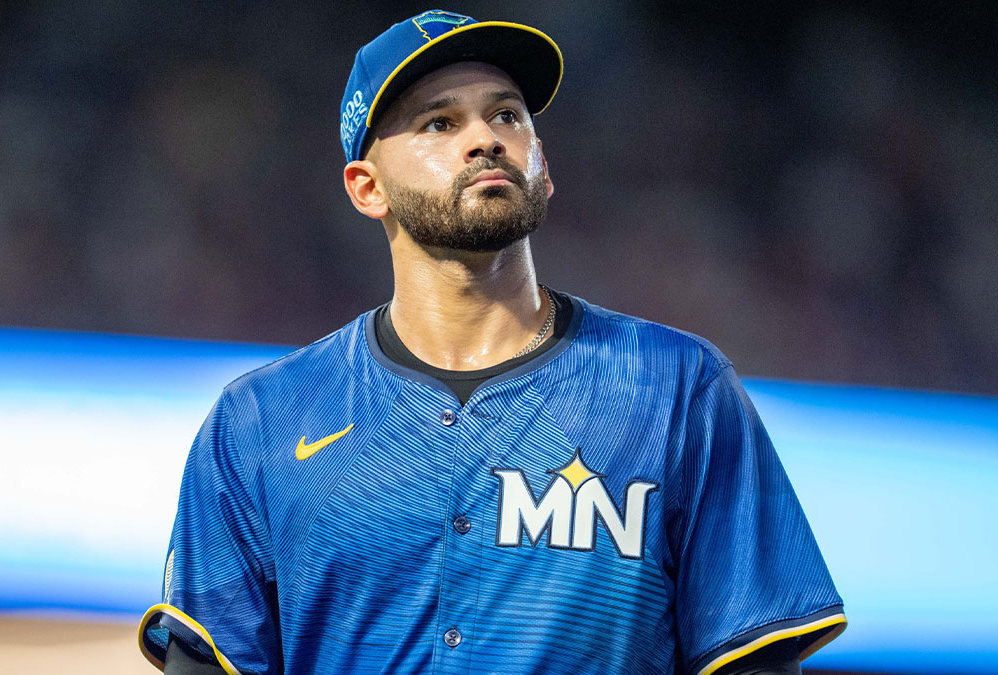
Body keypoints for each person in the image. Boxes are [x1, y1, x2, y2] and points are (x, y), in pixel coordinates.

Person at [138, 10, 846, 675]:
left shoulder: (677, 389)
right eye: (438, 123)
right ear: (365, 187)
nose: (485, 138)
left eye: (507, 114)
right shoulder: (262, 420)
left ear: (542, 162)